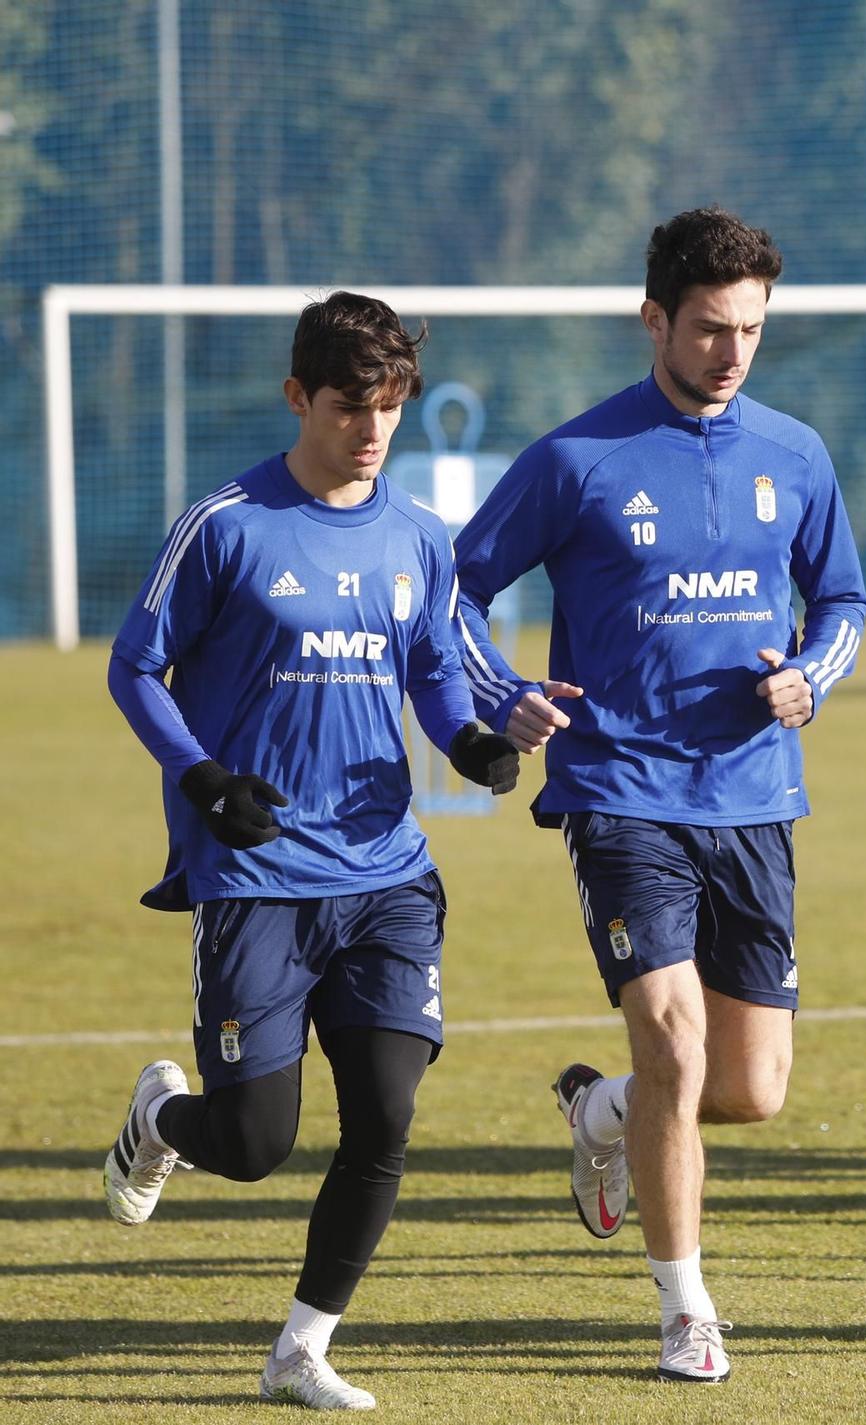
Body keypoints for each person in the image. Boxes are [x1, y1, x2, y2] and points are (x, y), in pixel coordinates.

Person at [451, 208, 866, 1385]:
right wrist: (508, 695)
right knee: (680, 1051)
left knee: (749, 1090)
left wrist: (809, 678)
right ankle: (687, 1307)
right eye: (707, 328)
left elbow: (842, 604)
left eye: (749, 329)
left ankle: (602, 1114)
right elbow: (451, 596)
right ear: (654, 320)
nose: (731, 351)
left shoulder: (794, 453)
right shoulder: (575, 460)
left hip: (755, 796)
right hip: (620, 789)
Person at [101, 291, 519, 1409]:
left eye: (389, 405)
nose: (371, 428)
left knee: (384, 1114)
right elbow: (133, 667)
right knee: (251, 1143)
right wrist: (203, 778)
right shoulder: (226, 525)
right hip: (255, 875)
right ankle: (159, 1119)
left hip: (384, 872)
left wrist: (470, 742)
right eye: (349, 406)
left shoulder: (420, 536)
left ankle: (301, 1348)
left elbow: (432, 668)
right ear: (298, 398)